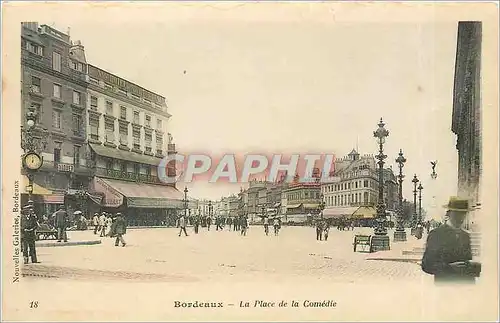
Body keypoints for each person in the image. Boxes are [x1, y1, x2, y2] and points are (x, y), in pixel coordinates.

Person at [421, 197, 481, 284]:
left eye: (463, 213)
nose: (461, 217)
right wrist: (449, 268)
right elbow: (426, 265)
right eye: (457, 214)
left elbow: (467, 261)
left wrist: (474, 267)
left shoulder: (465, 236)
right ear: (449, 213)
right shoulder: (436, 234)